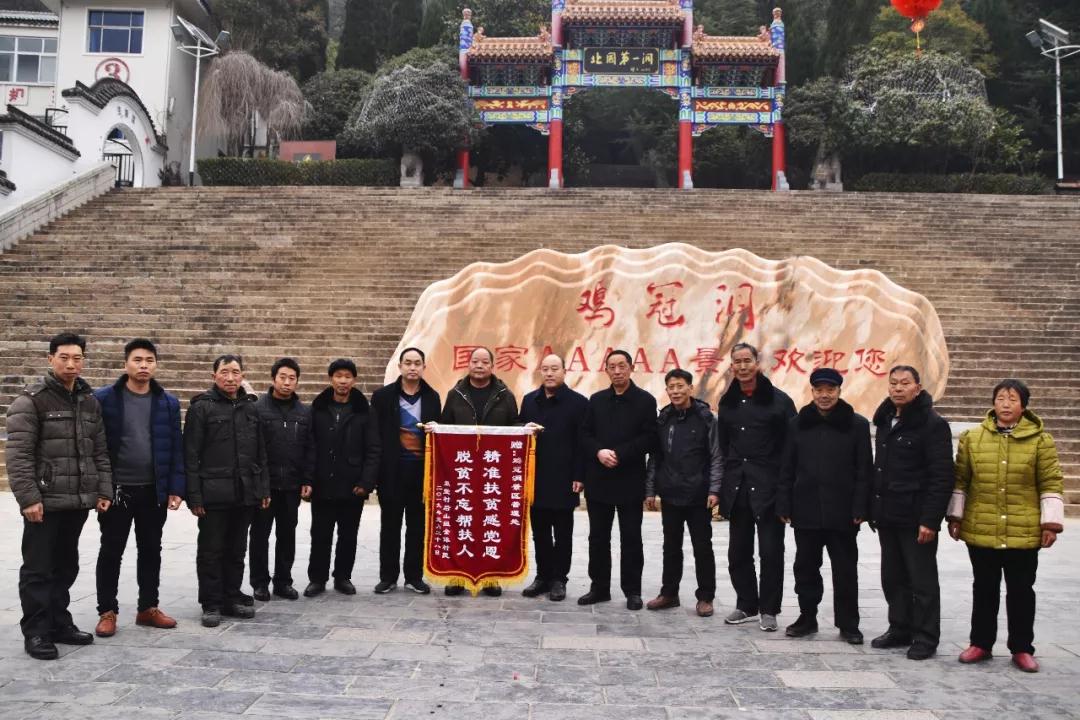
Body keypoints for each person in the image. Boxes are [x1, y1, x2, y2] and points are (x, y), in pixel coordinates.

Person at [946, 379, 1065, 673]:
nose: (1006, 404)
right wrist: (955, 516)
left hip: (1023, 530)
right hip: (982, 527)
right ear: (993, 403)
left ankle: (1022, 648)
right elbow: (961, 480)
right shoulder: (973, 438)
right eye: (1001, 398)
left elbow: (1050, 482)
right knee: (984, 588)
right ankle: (980, 644)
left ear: (1024, 406)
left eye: (1013, 399)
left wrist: (1050, 523)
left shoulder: (1040, 441)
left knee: (1021, 591)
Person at [6, 333, 112, 660]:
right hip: (44, 501)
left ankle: (58, 621)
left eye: (77, 358)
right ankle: (36, 631)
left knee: (66, 565)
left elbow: (99, 450)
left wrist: (103, 489)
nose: (70, 364)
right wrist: (28, 499)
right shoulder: (31, 401)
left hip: (77, 500)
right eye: (64, 357)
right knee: (38, 569)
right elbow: (18, 456)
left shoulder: (89, 400)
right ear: (50, 358)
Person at [93, 338, 184, 638]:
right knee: (111, 551)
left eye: (149, 360)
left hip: (153, 490)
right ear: (126, 364)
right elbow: (95, 446)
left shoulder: (167, 402)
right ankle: (107, 611)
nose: (143, 365)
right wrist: (101, 488)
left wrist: (175, 487)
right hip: (117, 491)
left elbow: (176, 447)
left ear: (155, 364)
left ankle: (148, 608)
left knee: (151, 550)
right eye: (137, 360)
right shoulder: (104, 399)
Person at [777, 368, 871, 644]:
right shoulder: (797, 424)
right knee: (805, 568)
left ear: (839, 391)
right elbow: (787, 467)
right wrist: (784, 503)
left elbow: (864, 470)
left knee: (845, 570)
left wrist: (861, 507)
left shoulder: (857, 424)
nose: (824, 395)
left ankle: (848, 624)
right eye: (819, 390)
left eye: (830, 390)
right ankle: (807, 617)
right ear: (812, 392)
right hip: (805, 509)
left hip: (843, 512)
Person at [869, 365, 953, 660]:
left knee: (922, 581)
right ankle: (900, 628)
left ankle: (926, 637)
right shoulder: (885, 420)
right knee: (893, 578)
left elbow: (942, 476)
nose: (898, 388)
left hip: (916, 518)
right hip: (888, 515)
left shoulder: (932, 424)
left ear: (918, 388)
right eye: (894, 383)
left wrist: (930, 520)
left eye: (905, 383)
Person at [184, 354, 271, 628]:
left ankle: (231, 596)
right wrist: (194, 496)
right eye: (225, 372)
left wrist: (262, 488)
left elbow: (260, 452)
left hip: (245, 492)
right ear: (214, 377)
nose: (230, 378)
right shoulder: (201, 408)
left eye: (235, 372)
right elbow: (191, 455)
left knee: (236, 550)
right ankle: (211, 603)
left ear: (242, 375)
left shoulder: (251, 408)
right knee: (211, 551)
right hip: (213, 494)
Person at [716, 342, 796, 632]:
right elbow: (724, 446)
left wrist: (786, 492)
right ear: (732, 366)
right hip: (738, 487)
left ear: (757, 363)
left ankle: (769, 609)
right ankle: (747, 604)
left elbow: (792, 449)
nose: (742, 366)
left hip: (770, 489)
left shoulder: (780, 401)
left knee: (771, 552)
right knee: (738, 552)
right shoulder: (728, 402)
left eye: (747, 360)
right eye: (737, 362)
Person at [579, 349, 657, 611]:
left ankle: (632, 590)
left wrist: (620, 454)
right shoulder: (597, 400)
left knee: (631, 538)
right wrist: (599, 452)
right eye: (612, 367)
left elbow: (650, 438)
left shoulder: (645, 401)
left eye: (622, 366)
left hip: (629, 479)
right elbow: (585, 434)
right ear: (606, 371)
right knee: (598, 538)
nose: (617, 371)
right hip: (599, 479)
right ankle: (599, 587)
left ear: (631, 368)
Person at [440, 346, 518, 596]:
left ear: (492, 366)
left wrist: (527, 430)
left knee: (491, 523)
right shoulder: (455, 394)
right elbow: (445, 428)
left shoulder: (505, 395)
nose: (479, 365)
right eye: (475, 361)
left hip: (492, 472)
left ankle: (490, 577)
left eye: (485, 362)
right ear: (468, 364)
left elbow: (514, 427)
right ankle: (457, 576)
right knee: (461, 521)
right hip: (461, 471)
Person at [644, 369, 722, 618]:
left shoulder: (706, 418)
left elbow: (716, 455)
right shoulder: (663, 418)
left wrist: (714, 489)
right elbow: (655, 457)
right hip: (670, 493)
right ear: (667, 390)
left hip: (699, 494)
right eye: (671, 387)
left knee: (702, 547)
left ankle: (706, 597)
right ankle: (669, 593)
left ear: (690, 388)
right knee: (670, 546)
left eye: (680, 386)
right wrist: (650, 490)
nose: (676, 391)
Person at [368, 348, 442, 595]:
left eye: (417, 363)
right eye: (408, 363)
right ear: (399, 366)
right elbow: (374, 436)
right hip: (391, 472)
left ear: (423, 367)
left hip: (421, 472)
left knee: (417, 526)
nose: (412, 367)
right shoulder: (382, 397)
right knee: (390, 525)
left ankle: (414, 576)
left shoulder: (432, 397)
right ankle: (388, 577)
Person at [306, 358, 379, 597]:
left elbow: (373, 449)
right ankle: (317, 579)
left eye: (348, 376)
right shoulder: (318, 409)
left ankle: (342, 577)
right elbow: (310, 446)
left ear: (354, 380)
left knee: (348, 535)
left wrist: (366, 483)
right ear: (331, 379)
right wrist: (308, 479)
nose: (343, 381)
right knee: (320, 535)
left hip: (352, 485)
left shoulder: (364, 411)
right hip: (322, 483)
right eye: (338, 376)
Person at [518, 353, 588, 602]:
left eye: (554, 368)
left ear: (564, 371)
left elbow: (583, 442)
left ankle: (559, 579)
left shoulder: (578, 403)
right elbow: (518, 434)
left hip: (564, 477)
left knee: (563, 532)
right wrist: (523, 430)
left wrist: (580, 475)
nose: (549, 373)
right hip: (535, 477)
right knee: (540, 532)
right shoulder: (529, 401)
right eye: (545, 368)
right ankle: (543, 576)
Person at [249, 357, 314, 602]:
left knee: (287, 535)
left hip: (291, 486)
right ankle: (259, 583)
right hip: (265, 486)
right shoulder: (257, 409)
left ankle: (283, 581)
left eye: (292, 378)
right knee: (260, 535)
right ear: (273, 378)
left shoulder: (304, 412)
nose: (287, 383)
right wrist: (259, 484)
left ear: (297, 381)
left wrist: (307, 479)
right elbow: (252, 450)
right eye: (282, 377)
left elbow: (310, 449)